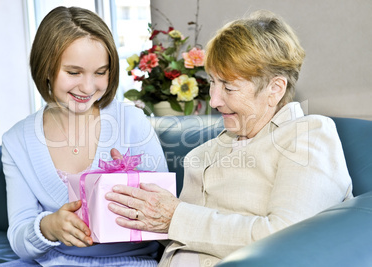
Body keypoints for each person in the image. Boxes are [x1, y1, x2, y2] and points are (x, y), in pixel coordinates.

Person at [105, 10, 353, 266]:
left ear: (275, 89)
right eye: (212, 82)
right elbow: (180, 234)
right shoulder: (204, 153)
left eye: (228, 87)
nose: (214, 100)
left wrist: (175, 217)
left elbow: (289, 238)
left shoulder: (307, 135)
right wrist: (138, 196)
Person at [1, 6, 167, 267]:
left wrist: (131, 189)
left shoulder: (132, 123)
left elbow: (167, 217)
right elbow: (19, 237)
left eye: (100, 72)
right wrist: (49, 227)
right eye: (74, 72)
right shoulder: (17, 141)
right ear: (46, 67)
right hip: (53, 262)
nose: (88, 88)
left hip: (131, 261)